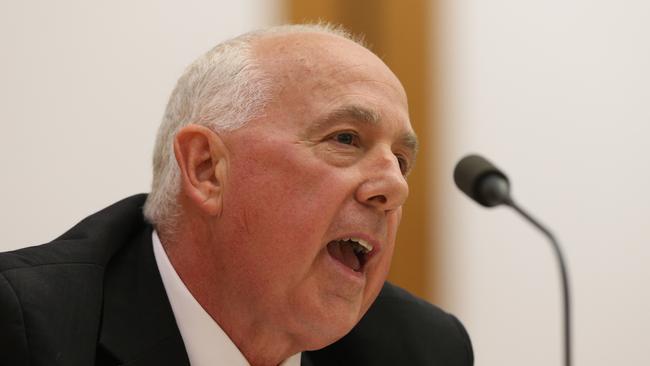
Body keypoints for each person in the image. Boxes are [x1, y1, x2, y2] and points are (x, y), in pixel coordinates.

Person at [0, 24, 473, 366]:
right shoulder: (29, 329)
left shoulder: (421, 350)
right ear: (206, 169)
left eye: (402, 161)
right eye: (346, 139)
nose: (395, 186)